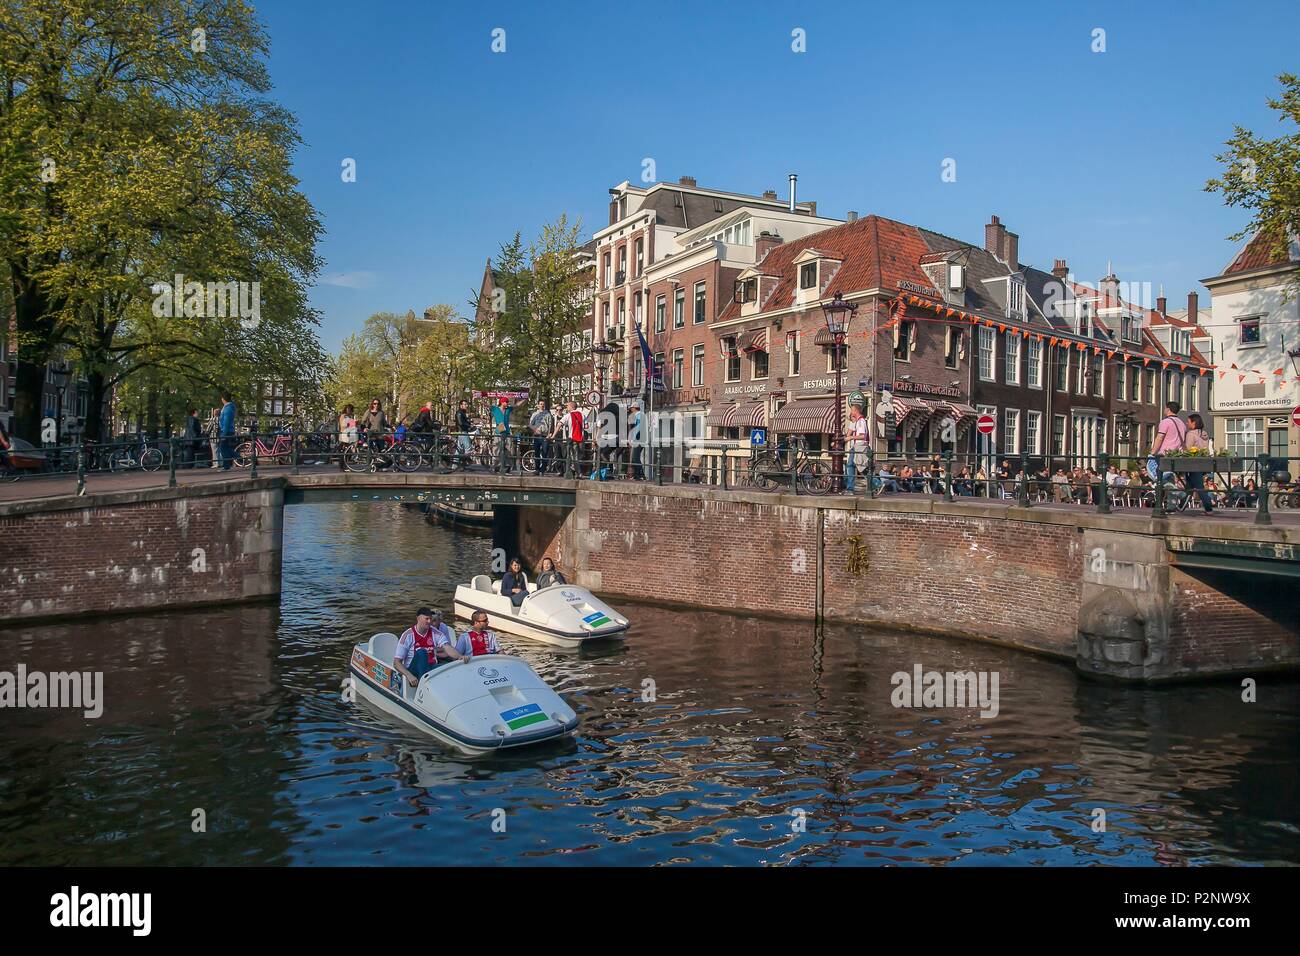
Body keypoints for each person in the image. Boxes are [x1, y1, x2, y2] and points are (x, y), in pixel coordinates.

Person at [394, 607, 467, 687]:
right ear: (418, 618)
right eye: (427, 619)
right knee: (422, 652)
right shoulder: (407, 635)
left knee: (450, 668)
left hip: (431, 668)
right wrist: (409, 675)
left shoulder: (436, 633)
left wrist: (460, 656)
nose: (429, 622)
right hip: (414, 671)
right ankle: (424, 686)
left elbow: (447, 647)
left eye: (430, 619)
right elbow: (396, 663)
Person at [1183, 412, 1215, 514]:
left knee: (1199, 486)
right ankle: (1180, 505)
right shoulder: (1204, 433)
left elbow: (1188, 450)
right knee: (1190, 485)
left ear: (1194, 423)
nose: (1187, 424)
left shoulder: (1190, 434)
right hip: (1203, 463)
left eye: (1188, 422)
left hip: (1193, 463)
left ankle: (1208, 506)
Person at [1148, 400, 1187, 481]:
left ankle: (1161, 492)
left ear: (1168, 409)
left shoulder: (1165, 422)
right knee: (1171, 481)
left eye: (1165, 408)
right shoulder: (1182, 423)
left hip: (1164, 454)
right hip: (1176, 454)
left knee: (1160, 479)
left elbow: (1160, 437)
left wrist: (1152, 453)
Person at [844, 404, 866, 494]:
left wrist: (851, 438)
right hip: (855, 447)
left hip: (859, 446)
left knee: (860, 467)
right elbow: (848, 434)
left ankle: (850, 489)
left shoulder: (861, 421)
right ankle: (850, 488)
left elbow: (863, 436)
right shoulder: (856, 422)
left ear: (856, 411)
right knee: (853, 466)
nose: (851, 413)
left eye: (852, 411)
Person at [529, 400, 555, 475]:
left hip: (544, 436)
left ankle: (543, 469)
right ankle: (537, 469)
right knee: (536, 453)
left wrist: (550, 434)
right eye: (540, 404)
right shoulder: (535, 414)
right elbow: (530, 424)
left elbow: (550, 424)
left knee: (545, 453)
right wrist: (535, 429)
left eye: (543, 404)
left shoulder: (548, 414)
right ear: (538, 405)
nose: (542, 405)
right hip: (537, 436)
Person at [217, 391, 237, 470]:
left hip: (226, 431)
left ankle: (228, 465)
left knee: (223, 448)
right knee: (226, 448)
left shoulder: (228, 409)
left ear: (223, 399)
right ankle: (227, 465)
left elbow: (226, 422)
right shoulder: (227, 407)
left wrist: (224, 434)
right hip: (227, 430)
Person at [491, 396, 512, 473]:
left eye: (507, 402)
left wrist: (524, 398)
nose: (507, 404)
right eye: (505, 402)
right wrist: (478, 397)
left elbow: (517, 405)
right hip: (499, 429)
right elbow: (486, 404)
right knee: (497, 449)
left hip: (506, 431)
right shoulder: (496, 409)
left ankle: (507, 466)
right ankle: (496, 465)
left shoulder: (508, 410)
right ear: (501, 402)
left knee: (508, 449)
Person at [337, 403, 357, 472]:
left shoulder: (349, 417)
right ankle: (342, 467)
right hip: (344, 435)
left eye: (351, 410)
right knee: (344, 451)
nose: (350, 411)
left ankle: (344, 466)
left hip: (348, 435)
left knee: (347, 451)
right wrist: (353, 423)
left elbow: (351, 426)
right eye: (349, 409)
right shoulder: (344, 416)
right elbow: (344, 425)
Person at [628, 402, 644, 480]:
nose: (631, 410)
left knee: (635, 457)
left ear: (634, 408)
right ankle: (638, 474)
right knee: (636, 457)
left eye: (631, 408)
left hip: (638, 439)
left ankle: (640, 474)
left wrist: (634, 438)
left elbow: (638, 428)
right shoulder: (641, 415)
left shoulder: (639, 415)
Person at [455, 400, 473, 464]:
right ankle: (464, 462)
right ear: (461, 405)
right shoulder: (459, 413)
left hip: (462, 431)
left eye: (466, 404)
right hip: (462, 432)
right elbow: (461, 423)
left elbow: (463, 422)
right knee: (468, 447)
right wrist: (469, 425)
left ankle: (455, 465)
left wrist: (469, 423)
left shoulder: (462, 412)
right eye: (465, 404)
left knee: (459, 449)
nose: (466, 406)